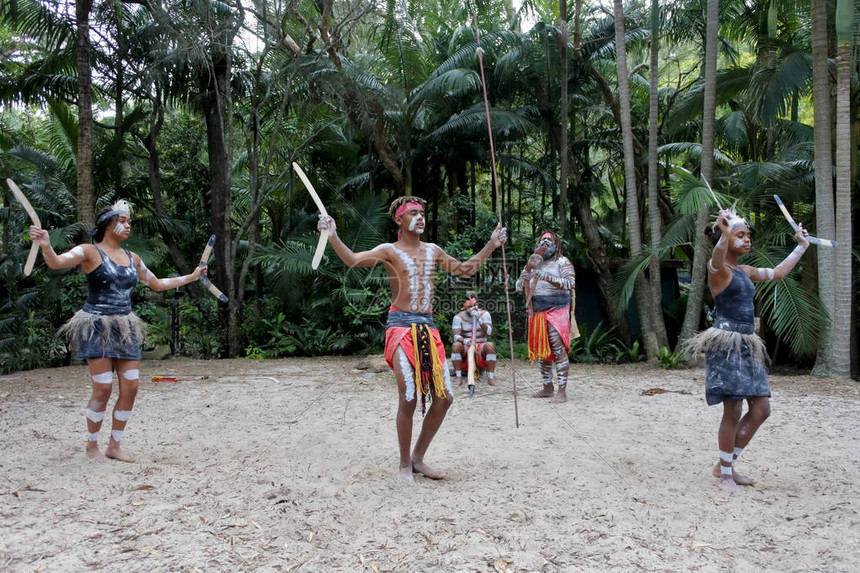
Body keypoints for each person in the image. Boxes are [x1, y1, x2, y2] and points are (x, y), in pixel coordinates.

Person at [317, 196, 506, 482]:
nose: (420, 217)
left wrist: (492, 244)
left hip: (428, 330)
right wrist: (332, 235)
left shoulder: (433, 250)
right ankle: (404, 463)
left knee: (444, 397)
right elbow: (353, 260)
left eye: (422, 212)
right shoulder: (389, 250)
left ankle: (418, 459)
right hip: (400, 328)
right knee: (408, 395)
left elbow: (466, 269)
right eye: (413, 213)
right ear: (399, 220)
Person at [29, 201, 205, 463]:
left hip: (125, 328)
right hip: (97, 325)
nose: (127, 225)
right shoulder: (89, 251)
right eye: (121, 221)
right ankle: (91, 447)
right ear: (107, 225)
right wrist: (45, 245)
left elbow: (155, 283)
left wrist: (190, 277)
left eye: (129, 222)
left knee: (131, 387)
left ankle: (114, 446)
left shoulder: (133, 258)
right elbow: (56, 262)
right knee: (102, 389)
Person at [685, 208, 809, 493]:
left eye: (747, 235)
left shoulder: (746, 271)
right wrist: (725, 234)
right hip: (727, 345)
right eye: (740, 235)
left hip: (748, 344)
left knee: (761, 409)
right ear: (727, 238)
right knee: (733, 409)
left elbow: (777, 272)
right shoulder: (719, 271)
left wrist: (800, 247)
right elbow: (715, 258)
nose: (747, 240)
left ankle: (725, 464)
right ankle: (726, 474)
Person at [516, 231, 576, 404]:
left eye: (550, 240)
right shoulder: (533, 263)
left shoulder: (562, 262)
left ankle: (562, 392)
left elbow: (570, 284)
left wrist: (547, 277)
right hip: (537, 312)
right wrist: (528, 269)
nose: (546, 242)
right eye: (543, 239)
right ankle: (547, 387)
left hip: (557, 309)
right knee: (543, 351)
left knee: (558, 349)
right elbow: (519, 286)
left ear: (556, 245)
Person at [450, 294, 497, 390]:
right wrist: (466, 341)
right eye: (470, 307)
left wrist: (479, 320)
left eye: (475, 305)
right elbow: (455, 336)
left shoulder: (484, 314)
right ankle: (458, 377)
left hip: (481, 346)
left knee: (490, 345)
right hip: (466, 347)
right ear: (464, 307)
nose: (473, 308)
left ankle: (490, 378)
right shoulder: (458, 317)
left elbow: (489, 333)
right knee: (455, 346)